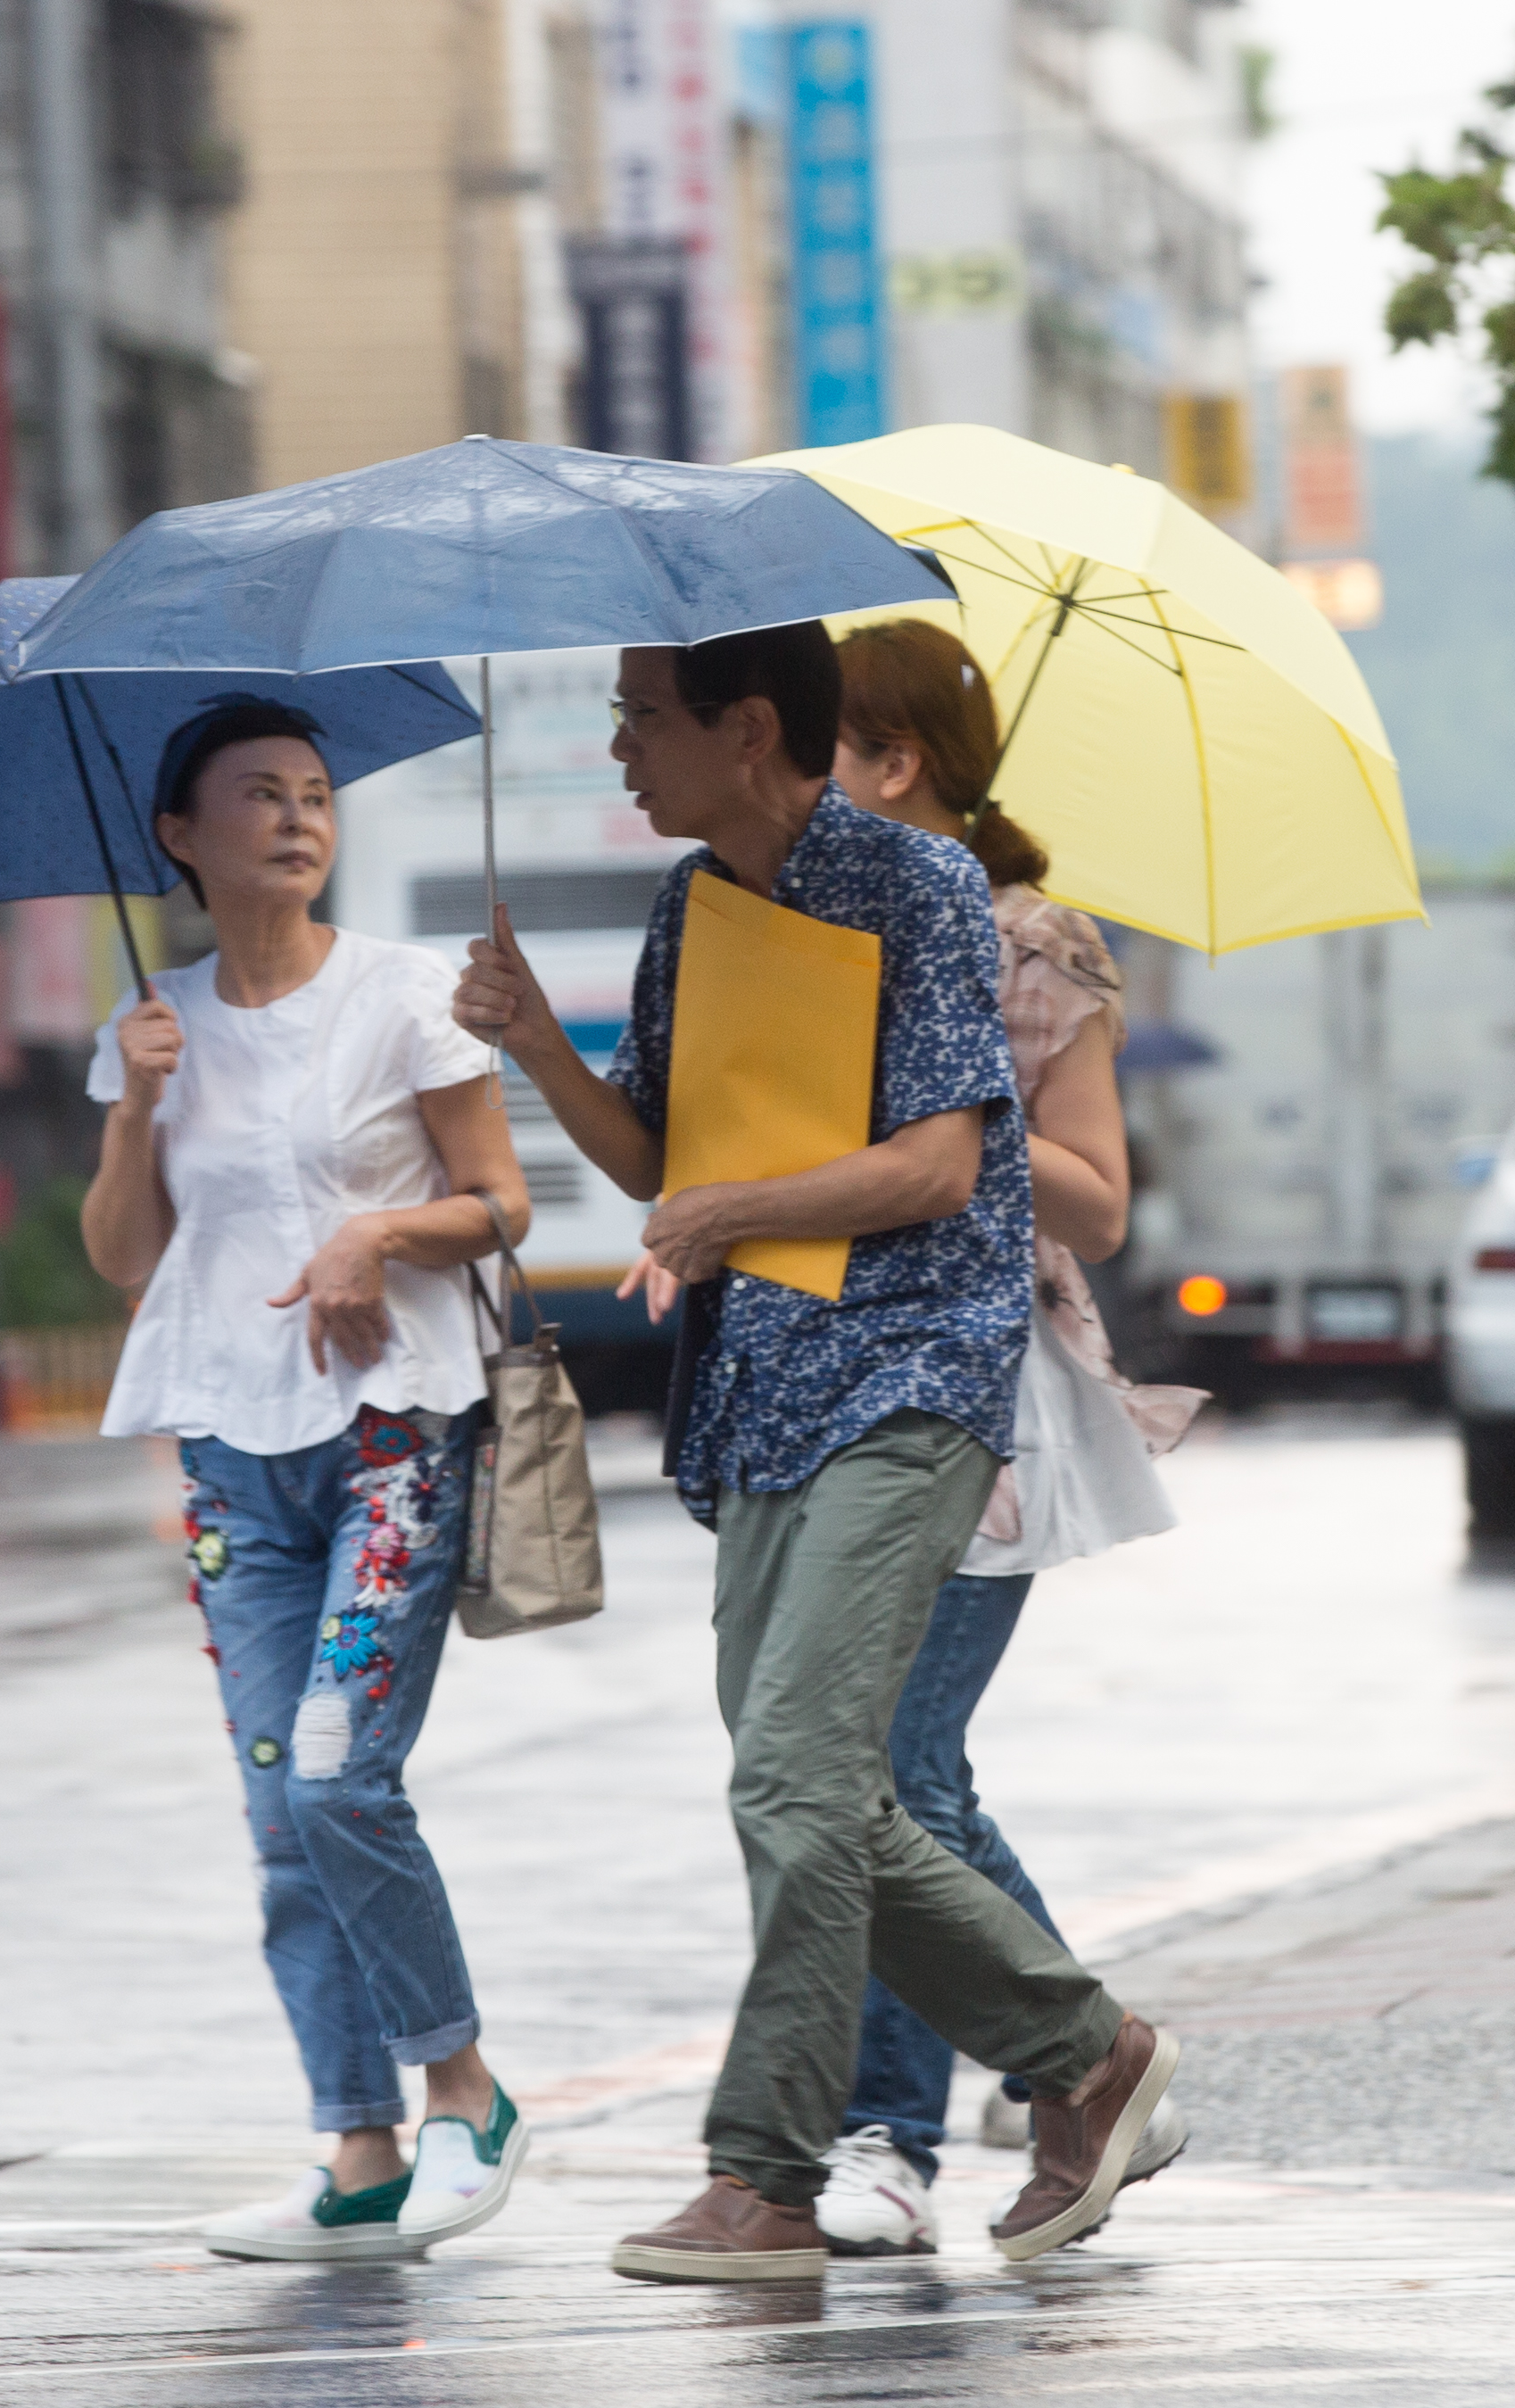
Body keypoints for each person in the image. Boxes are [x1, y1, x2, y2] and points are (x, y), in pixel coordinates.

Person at [451, 623, 1182, 2281]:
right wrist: (537, 1045)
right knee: (813, 1794)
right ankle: (1089, 2055)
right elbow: (655, 1152)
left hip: (910, 1377)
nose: (622, 749)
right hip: (759, 1391)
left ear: (747, 724)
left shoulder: (913, 888)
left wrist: (737, 1209)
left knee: (798, 1776)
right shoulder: (689, 908)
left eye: (643, 718)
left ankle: (766, 2174)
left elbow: (936, 1169)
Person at [772, 617, 1208, 2255]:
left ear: (896, 765)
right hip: (829, 1380)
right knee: (867, 1766)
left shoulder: (1035, 943)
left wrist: (954, 1132)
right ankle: (1005, 2096)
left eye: (823, 751)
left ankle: (1009, 2092)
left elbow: (1094, 1199)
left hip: (989, 1392)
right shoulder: (806, 925)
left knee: (886, 1761)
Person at [79, 698, 535, 2260]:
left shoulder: (406, 998)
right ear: (179, 839)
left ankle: (463, 2089)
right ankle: (356, 2153)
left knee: (340, 1772)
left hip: (394, 1441)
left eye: (315, 795)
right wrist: (137, 1102)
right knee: (281, 1814)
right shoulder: (152, 1022)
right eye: (259, 797)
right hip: (229, 1455)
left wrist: (373, 1236)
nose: (296, 817)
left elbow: (500, 1204)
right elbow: (127, 1258)